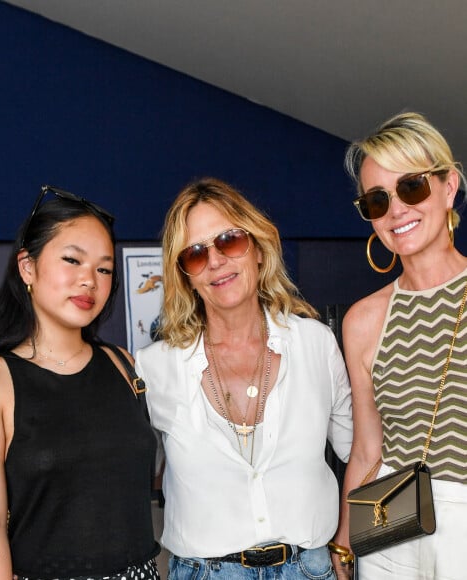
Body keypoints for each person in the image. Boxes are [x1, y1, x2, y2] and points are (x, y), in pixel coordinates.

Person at [135, 177, 353, 579]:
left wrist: (346, 538)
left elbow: (361, 451)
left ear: (257, 248)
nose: (216, 260)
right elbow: (118, 471)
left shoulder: (314, 345)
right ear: (185, 276)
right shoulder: (155, 367)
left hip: (309, 569)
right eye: (196, 254)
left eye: (229, 240)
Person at [0, 185, 161, 580]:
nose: (90, 280)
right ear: (27, 267)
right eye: (72, 260)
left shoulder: (122, 364)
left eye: (103, 269)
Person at [331, 111, 467, 580]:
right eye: (376, 200)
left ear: (449, 187)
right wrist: (346, 540)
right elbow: (367, 448)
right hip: (390, 515)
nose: (396, 211)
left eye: (412, 187)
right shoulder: (362, 320)